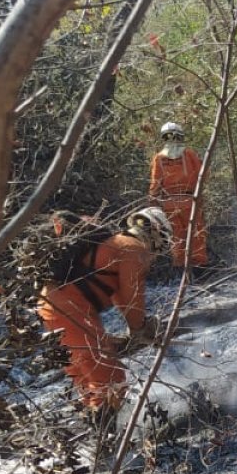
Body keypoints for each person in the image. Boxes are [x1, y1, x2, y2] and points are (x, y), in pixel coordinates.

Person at [37, 207, 171, 418]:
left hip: (52, 306)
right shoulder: (133, 248)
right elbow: (132, 298)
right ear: (156, 235)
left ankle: (94, 429)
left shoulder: (115, 244)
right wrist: (140, 329)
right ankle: (106, 433)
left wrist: (135, 330)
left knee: (91, 380)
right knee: (111, 380)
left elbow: (120, 297)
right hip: (69, 310)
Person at [148, 121, 208, 269]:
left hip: (169, 205)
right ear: (180, 136)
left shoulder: (159, 158)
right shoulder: (189, 154)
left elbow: (155, 184)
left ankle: (181, 270)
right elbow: (203, 174)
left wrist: (152, 201)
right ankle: (199, 269)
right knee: (196, 236)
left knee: (177, 238)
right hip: (190, 202)